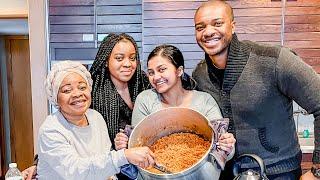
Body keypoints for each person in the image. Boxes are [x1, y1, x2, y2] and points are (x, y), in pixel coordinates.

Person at [192, 1, 320, 179]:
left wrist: (317, 170)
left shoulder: (275, 60)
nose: (208, 32)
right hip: (226, 174)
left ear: (233, 26)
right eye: (200, 27)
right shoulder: (200, 74)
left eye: (217, 23)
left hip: (278, 173)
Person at [22, 33, 150, 180]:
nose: (127, 63)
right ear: (106, 60)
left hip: (135, 166)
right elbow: (65, 144)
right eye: (119, 58)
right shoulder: (91, 90)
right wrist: (41, 163)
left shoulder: (144, 83)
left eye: (132, 58)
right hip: (105, 168)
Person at [115, 44, 236, 179]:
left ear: (179, 71)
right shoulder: (146, 100)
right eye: (151, 72)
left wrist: (227, 145)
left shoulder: (204, 101)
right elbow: (138, 148)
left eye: (162, 70)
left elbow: (224, 151)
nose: (156, 77)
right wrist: (125, 145)